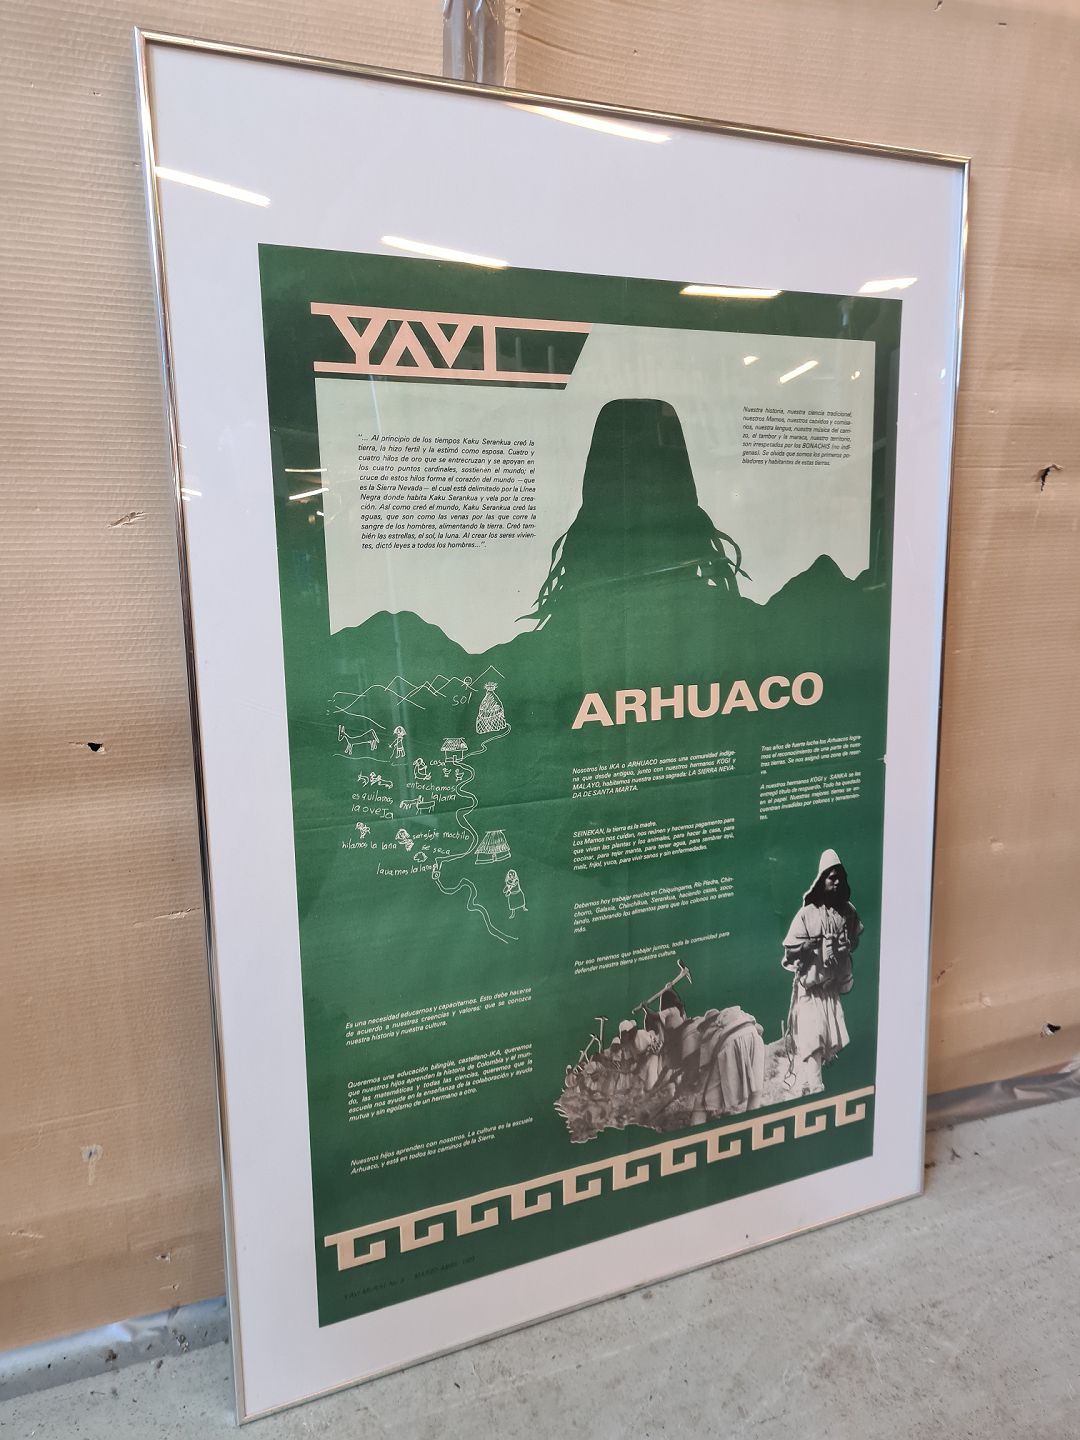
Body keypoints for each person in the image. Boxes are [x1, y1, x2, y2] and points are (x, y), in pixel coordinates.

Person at [782, 848, 863, 1096]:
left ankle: (808, 1086)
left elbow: (855, 939)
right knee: (812, 1039)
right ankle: (815, 1088)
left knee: (826, 1040)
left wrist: (845, 945)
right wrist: (808, 946)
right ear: (821, 880)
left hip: (830, 989)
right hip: (809, 989)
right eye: (831, 877)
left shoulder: (847, 912)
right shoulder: (806, 914)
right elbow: (790, 953)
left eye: (840, 877)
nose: (836, 882)